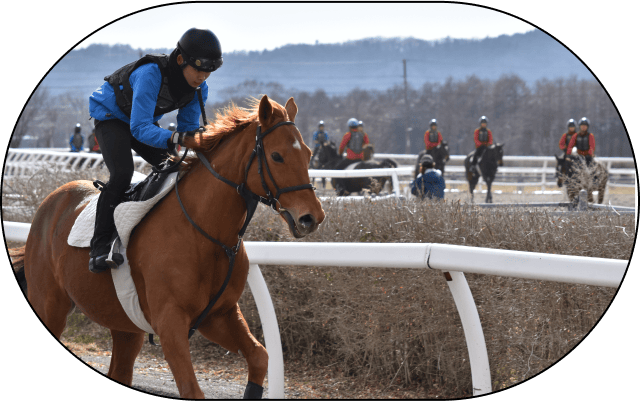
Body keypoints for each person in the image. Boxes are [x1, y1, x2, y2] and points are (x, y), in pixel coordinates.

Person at [87, 27, 223, 273]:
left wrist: (199, 142)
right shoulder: (150, 73)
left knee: (175, 166)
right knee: (122, 174)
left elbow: (188, 129)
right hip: (111, 116)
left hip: (140, 121)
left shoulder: (199, 89)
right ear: (181, 60)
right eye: (199, 69)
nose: (203, 77)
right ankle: (98, 247)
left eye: (209, 72)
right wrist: (178, 138)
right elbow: (139, 129)